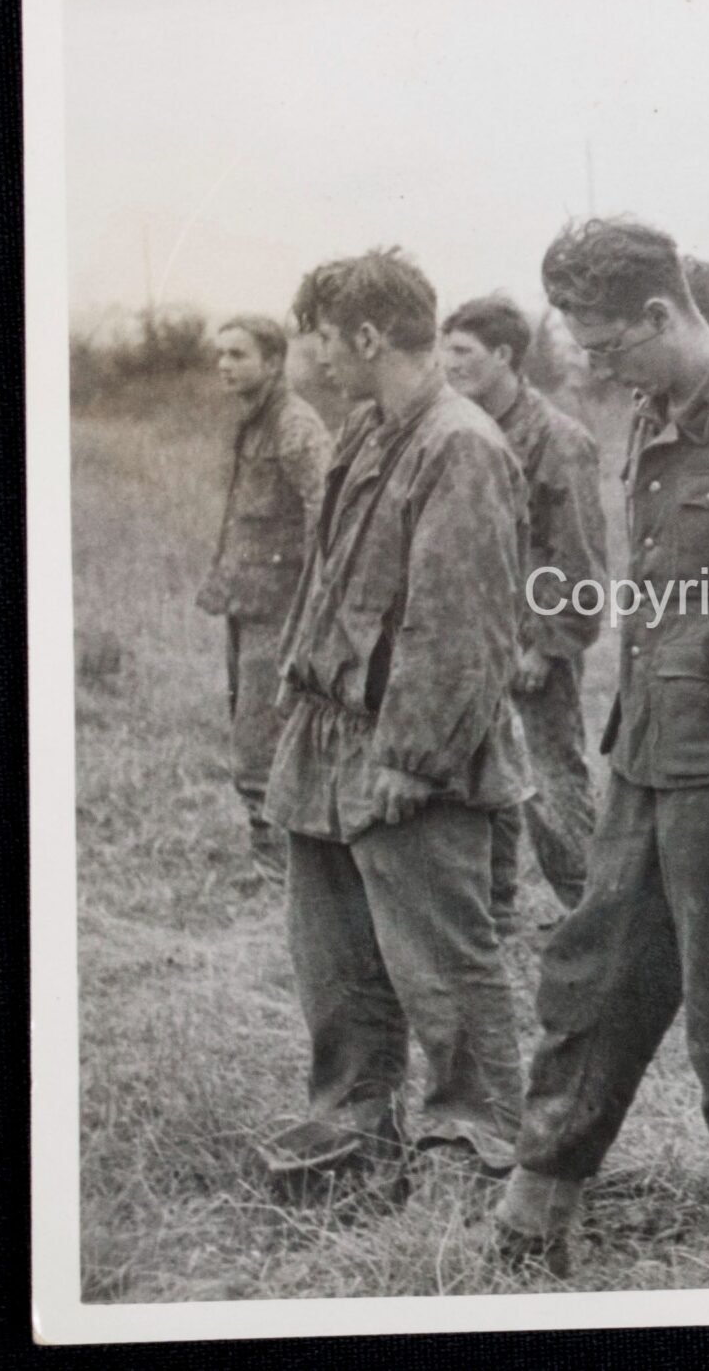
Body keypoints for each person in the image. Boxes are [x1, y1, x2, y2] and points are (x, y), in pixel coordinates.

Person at [492, 218, 709, 1280]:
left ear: (659, 313)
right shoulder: (659, 411)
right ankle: (540, 1196)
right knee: (593, 974)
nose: (599, 371)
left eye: (607, 347)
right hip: (648, 750)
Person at [256, 248, 531, 1182]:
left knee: (442, 965)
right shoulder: (368, 430)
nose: (319, 359)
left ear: (369, 336)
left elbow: (461, 625)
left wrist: (413, 759)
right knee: (335, 961)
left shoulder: (461, 445)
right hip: (330, 739)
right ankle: (353, 1125)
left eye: (326, 341)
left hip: (411, 750)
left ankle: (477, 1145)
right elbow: (330, 580)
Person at [440, 294, 609, 931]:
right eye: (446, 350)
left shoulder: (557, 440)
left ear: (505, 356)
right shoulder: (461, 429)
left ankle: (593, 919)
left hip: (533, 645)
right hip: (475, 637)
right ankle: (497, 908)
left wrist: (548, 645)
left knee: (549, 781)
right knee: (481, 775)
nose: (449, 364)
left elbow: (579, 556)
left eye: (464, 352)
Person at [195, 314, 330, 888]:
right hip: (247, 601)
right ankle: (273, 858)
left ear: (273, 362)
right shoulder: (254, 421)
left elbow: (325, 510)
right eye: (221, 354)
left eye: (238, 355)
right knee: (248, 727)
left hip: (282, 607)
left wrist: (313, 602)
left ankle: (282, 870)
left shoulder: (295, 426)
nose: (224, 365)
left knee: (263, 738)